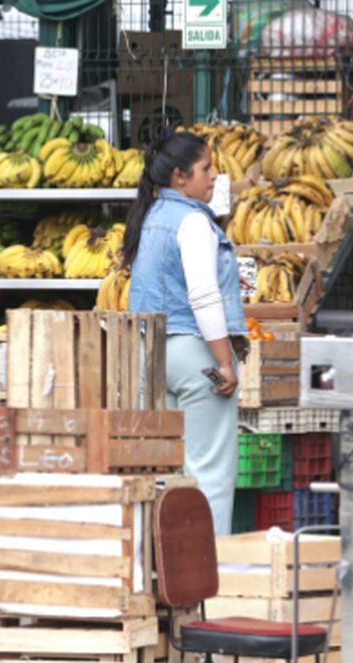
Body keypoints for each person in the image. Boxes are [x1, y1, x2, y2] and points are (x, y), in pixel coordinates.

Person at [123, 131, 249, 535]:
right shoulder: (193, 220)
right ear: (180, 176)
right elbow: (203, 296)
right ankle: (209, 565)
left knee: (164, 473)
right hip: (195, 356)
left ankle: (162, 564)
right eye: (205, 168)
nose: (213, 176)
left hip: (149, 355)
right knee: (208, 471)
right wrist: (225, 363)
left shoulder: (151, 217)